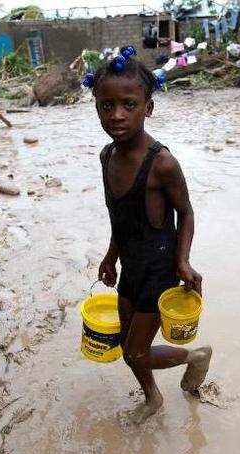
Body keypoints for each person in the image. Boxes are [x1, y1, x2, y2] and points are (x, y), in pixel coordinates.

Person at [89, 49, 212, 424]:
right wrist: (111, 255)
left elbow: (187, 212)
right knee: (129, 346)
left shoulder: (162, 163)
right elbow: (119, 216)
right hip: (130, 265)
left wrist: (183, 261)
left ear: (149, 107)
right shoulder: (106, 156)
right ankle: (153, 397)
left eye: (129, 104)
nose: (117, 115)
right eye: (106, 106)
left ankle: (195, 356)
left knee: (134, 353)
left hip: (160, 269)